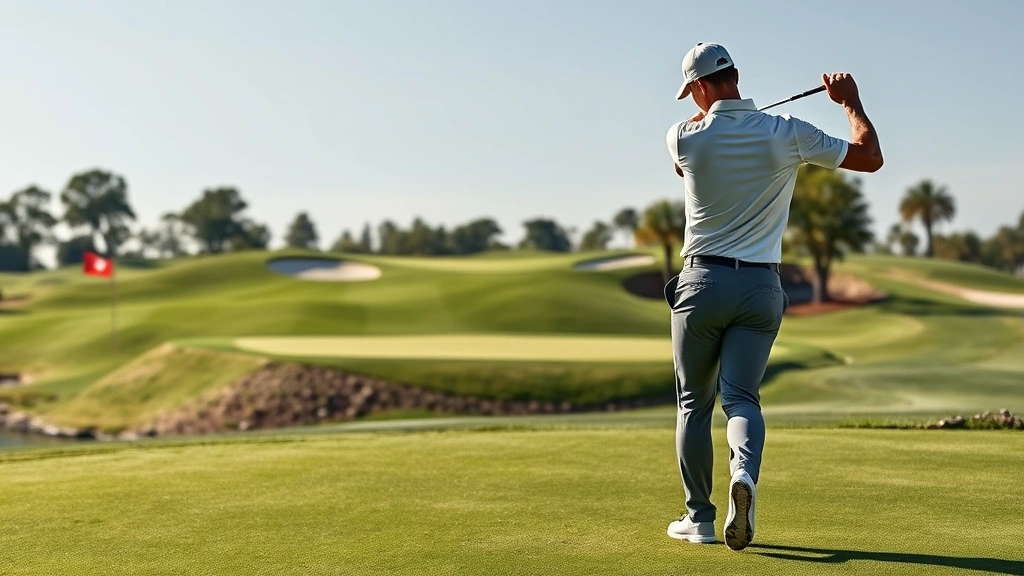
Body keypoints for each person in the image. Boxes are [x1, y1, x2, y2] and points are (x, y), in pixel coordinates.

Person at [662, 42, 882, 551]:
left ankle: (699, 520)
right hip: (761, 288)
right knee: (741, 398)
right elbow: (870, 158)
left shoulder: (683, 138)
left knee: (695, 401)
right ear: (735, 76)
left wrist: (724, 125)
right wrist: (850, 103)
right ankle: (745, 474)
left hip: (701, 285)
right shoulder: (788, 133)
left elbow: (687, 161)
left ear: (698, 89)